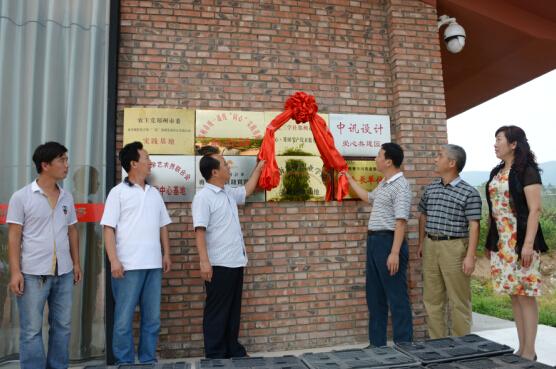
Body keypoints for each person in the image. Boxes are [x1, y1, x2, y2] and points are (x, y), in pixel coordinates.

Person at [6, 141, 82, 369]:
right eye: (62, 160)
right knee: (31, 330)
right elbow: (14, 236)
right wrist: (15, 272)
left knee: (63, 326)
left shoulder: (66, 197)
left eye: (67, 160)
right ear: (45, 165)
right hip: (32, 274)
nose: (67, 165)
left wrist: (76, 263)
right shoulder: (21, 197)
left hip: (64, 272)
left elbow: (72, 231)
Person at [100, 141, 172, 364]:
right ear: (133, 163)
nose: (150, 162)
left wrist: (166, 254)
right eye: (146, 158)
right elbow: (108, 229)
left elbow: (163, 226)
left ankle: (148, 360)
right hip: (127, 266)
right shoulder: (117, 193)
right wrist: (114, 260)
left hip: (153, 265)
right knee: (123, 320)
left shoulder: (153, 193)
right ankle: (125, 362)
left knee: (153, 319)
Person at [192, 147, 265, 358]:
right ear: (214, 172)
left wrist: (259, 169)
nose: (228, 166)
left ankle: (232, 349)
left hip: (235, 261)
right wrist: (204, 262)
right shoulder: (204, 197)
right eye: (224, 163)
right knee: (217, 310)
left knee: (233, 310)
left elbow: (247, 190)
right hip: (218, 263)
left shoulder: (227, 192)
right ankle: (215, 353)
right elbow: (199, 230)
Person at [341, 142, 412, 347]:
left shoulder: (401, 185)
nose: (376, 158)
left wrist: (395, 252)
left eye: (379, 155)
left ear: (388, 161)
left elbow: (401, 221)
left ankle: (404, 345)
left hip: (389, 243)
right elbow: (368, 197)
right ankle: (377, 345)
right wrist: (349, 179)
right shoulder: (384, 183)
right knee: (375, 297)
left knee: (397, 297)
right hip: (374, 242)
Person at [485, 125, 547, 361]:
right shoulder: (497, 171)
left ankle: (529, 352)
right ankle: (521, 349)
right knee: (514, 293)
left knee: (526, 294)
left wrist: (528, 244)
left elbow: (535, 210)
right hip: (502, 242)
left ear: (513, 144)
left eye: (499, 139)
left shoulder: (527, 171)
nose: (495, 144)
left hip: (521, 241)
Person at [417, 144, 482, 338]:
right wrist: (421, 242)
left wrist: (470, 256)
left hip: (454, 247)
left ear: (452, 163)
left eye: (440, 156)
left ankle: (463, 347)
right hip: (430, 245)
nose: (435, 159)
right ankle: (438, 344)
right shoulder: (431, 189)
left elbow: (474, 226)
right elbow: (423, 215)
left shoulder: (469, 193)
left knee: (458, 300)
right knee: (432, 299)